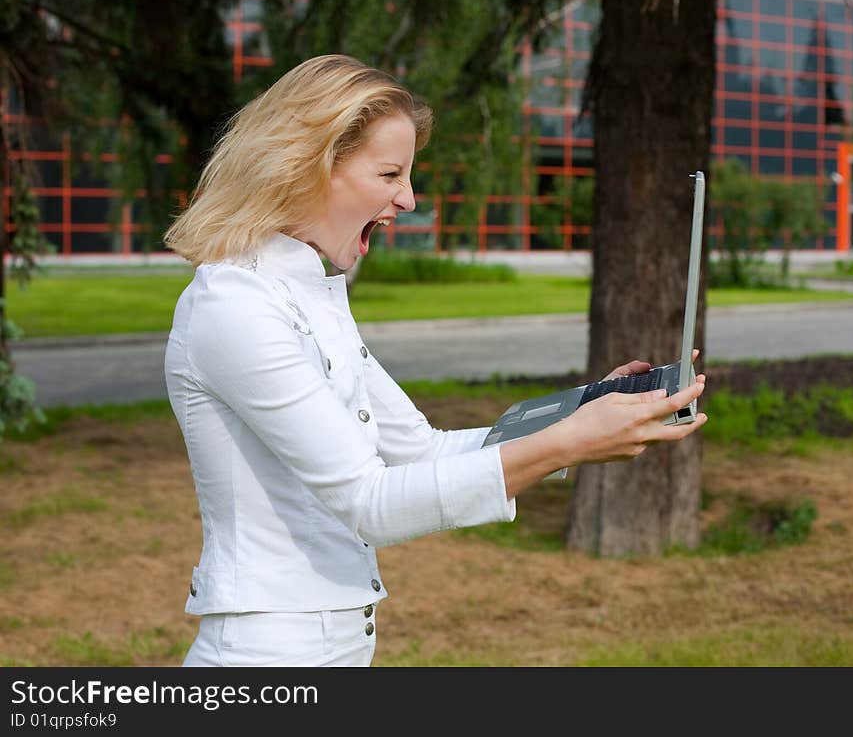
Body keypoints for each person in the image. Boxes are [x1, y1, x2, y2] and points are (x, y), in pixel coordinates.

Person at [163, 53, 708, 667]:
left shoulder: (307, 294)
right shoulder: (235, 306)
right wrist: (570, 445)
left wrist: (583, 412)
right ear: (309, 165)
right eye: (391, 173)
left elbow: (421, 451)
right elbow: (370, 501)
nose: (409, 200)